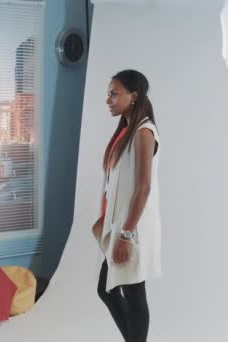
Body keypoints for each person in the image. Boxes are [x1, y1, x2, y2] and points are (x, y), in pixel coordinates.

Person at [92, 69, 161, 342]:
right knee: (109, 290)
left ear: (134, 96)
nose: (108, 99)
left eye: (114, 93)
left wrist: (126, 234)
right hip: (118, 224)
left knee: (132, 292)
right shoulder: (125, 131)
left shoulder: (144, 131)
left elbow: (143, 188)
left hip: (131, 229)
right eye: (108, 93)